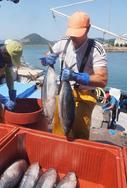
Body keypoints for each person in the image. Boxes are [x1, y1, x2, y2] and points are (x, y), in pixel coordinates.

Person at [40, 11, 108, 139]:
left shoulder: (96, 49)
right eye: (72, 33)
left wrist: (77, 76)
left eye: (78, 35)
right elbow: (46, 55)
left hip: (84, 96)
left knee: (79, 132)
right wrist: (46, 59)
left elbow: (103, 79)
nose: (73, 38)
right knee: (59, 129)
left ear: (88, 29)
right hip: (64, 92)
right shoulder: (63, 42)